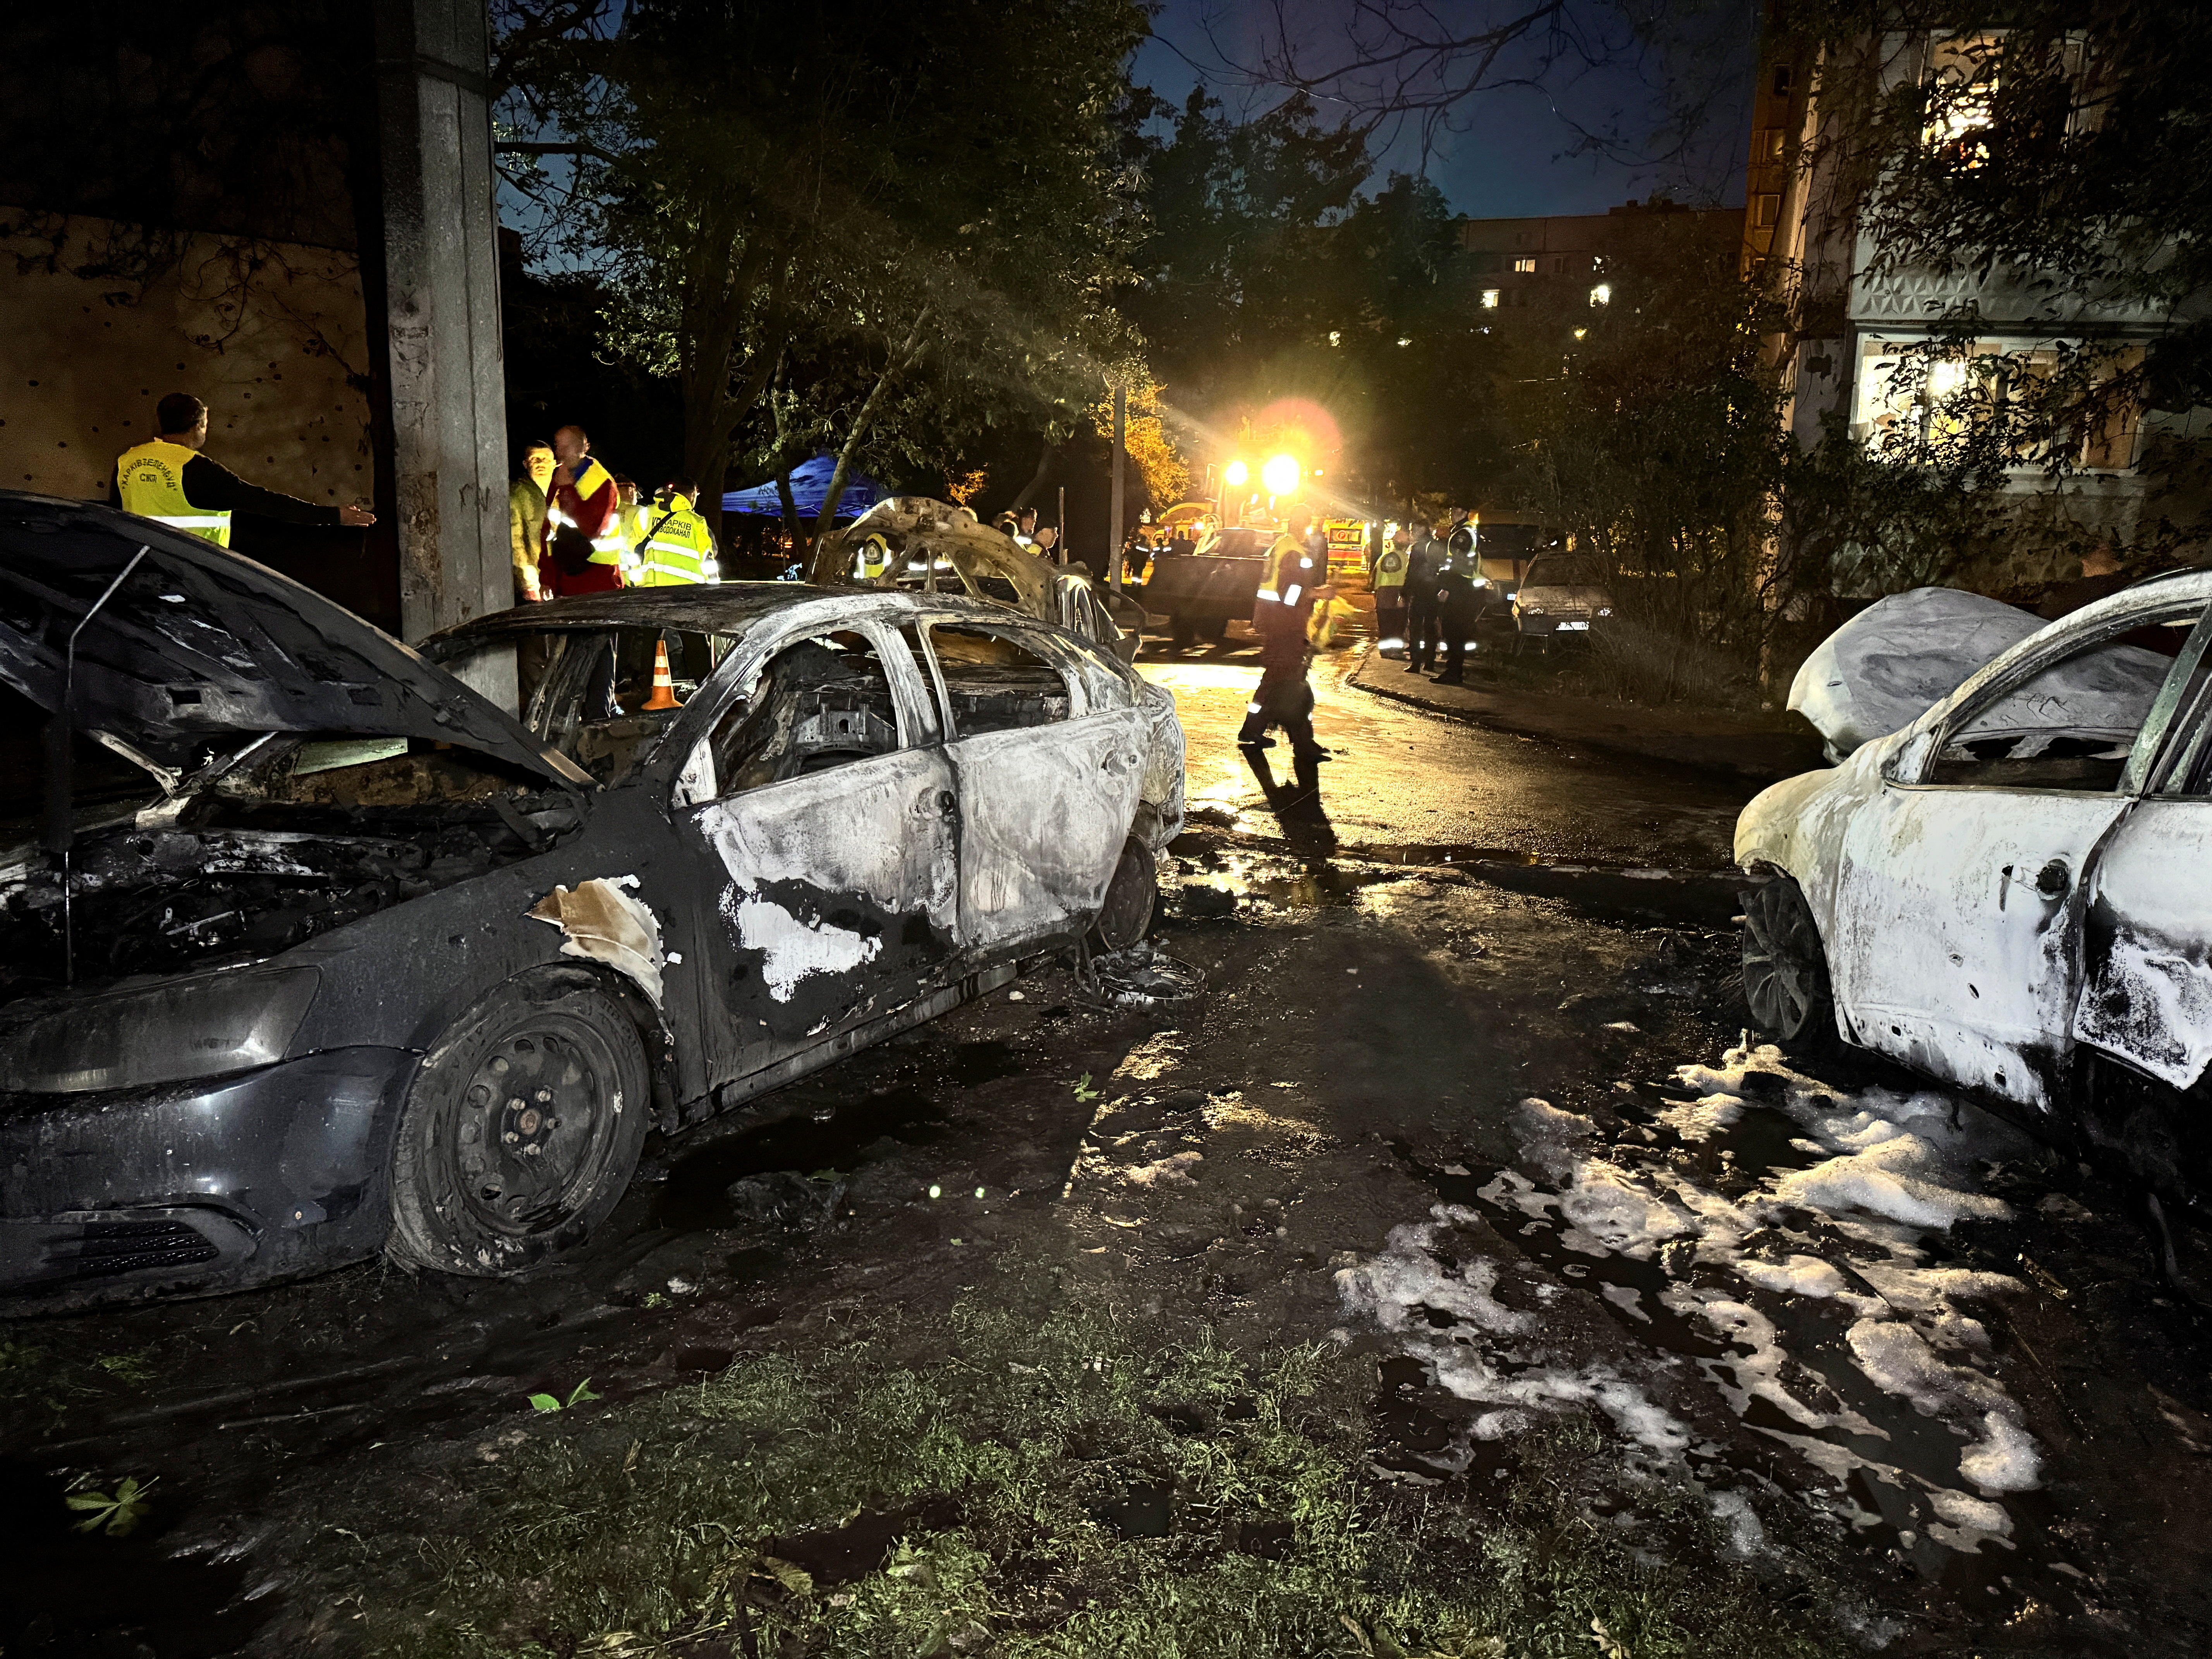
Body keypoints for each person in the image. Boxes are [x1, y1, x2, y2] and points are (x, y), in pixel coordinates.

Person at [112, 392, 375, 546]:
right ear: (198, 427)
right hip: (193, 574)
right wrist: (334, 516)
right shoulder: (196, 469)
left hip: (139, 568)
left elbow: (114, 515)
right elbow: (264, 502)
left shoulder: (128, 461)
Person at [1237, 505, 1334, 761]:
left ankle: (1259, 730)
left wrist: (1313, 590)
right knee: (1289, 682)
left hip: (1278, 623)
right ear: (1304, 525)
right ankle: (1296, 739)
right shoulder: (1293, 551)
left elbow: (1286, 587)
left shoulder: (1282, 546)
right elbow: (1289, 593)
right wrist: (1316, 594)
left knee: (1283, 680)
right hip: (1285, 626)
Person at [544, 424, 624, 595]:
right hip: (565, 580)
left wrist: (567, 489)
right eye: (559, 446)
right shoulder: (559, 475)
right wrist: (547, 579)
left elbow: (591, 528)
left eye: (569, 446)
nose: (562, 452)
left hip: (599, 584)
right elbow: (548, 528)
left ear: (585, 447)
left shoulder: (603, 483)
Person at [1431, 522, 1490, 685]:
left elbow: (1458, 566)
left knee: (1454, 633)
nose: (1451, 511)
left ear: (1463, 511)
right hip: (1467, 592)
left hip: (1460, 592)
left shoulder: (1463, 534)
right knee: (1457, 633)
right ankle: (1454, 671)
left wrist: (1447, 589)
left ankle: (1454, 673)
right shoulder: (1468, 532)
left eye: (1456, 508)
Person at [632, 480, 720, 586]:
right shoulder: (696, 522)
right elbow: (706, 557)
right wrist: (714, 586)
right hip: (687, 593)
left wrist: (635, 582)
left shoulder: (646, 513)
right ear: (693, 494)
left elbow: (631, 548)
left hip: (650, 591)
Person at [508, 440, 555, 602]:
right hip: (534, 585)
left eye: (546, 459)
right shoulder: (517, 494)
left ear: (555, 464)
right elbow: (514, 541)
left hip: (556, 581)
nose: (541, 464)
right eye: (535, 459)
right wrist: (529, 581)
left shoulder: (561, 493)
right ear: (525, 464)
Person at [1404, 519, 1446, 673]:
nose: (1412, 532)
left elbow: (1412, 572)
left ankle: (1416, 663)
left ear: (1422, 530)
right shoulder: (1437, 546)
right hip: (1434, 592)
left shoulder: (1418, 548)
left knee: (1415, 628)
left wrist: (1406, 591)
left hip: (1420, 592)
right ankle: (1430, 661)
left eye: (1413, 529)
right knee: (1430, 627)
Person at [1371, 524, 1411, 656]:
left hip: (1382, 594)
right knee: (1398, 624)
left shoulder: (1382, 558)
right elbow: (1409, 577)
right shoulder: (1407, 559)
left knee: (1385, 624)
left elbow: (1374, 578)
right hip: (1399, 594)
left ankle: (1385, 651)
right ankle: (1395, 651)